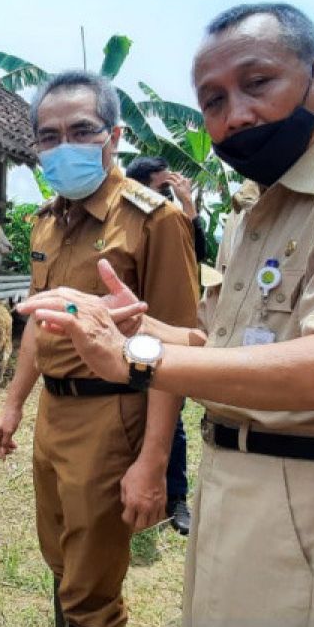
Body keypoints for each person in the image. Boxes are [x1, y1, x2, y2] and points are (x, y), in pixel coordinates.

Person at [18, 3, 314, 627]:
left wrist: (140, 361)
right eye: (213, 100)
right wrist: (128, 326)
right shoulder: (254, 212)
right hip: (233, 472)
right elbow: (214, 342)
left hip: (312, 481)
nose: (235, 115)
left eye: (258, 83)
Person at [0, 70, 199, 627]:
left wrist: (154, 461)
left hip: (115, 414)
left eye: (81, 129)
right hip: (56, 412)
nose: (65, 145)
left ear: (114, 134)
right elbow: (35, 322)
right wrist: (12, 403)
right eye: (49, 135)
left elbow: (176, 348)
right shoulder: (46, 222)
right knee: (60, 553)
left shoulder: (154, 219)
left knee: (92, 576)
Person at [124, 156, 204, 534]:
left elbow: (197, 253)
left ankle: (176, 499)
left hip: (165, 333)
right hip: (123, 336)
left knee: (170, 422)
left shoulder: (172, 221)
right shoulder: (119, 221)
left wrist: (188, 206)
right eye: (163, 189)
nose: (166, 197)